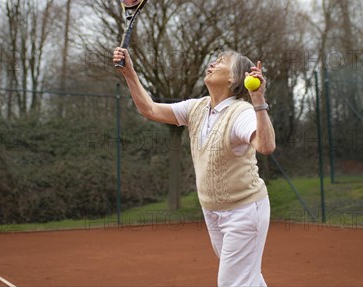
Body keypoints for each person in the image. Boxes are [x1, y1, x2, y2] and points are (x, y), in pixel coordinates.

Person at [112, 47, 276, 287]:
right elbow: (149, 109)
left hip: (244, 211)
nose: (212, 63)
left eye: (221, 62)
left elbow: (265, 145)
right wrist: (129, 73)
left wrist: (258, 100)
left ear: (234, 78)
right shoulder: (197, 108)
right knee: (247, 277)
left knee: (234, 282)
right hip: (212, 211)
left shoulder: (241, 112)